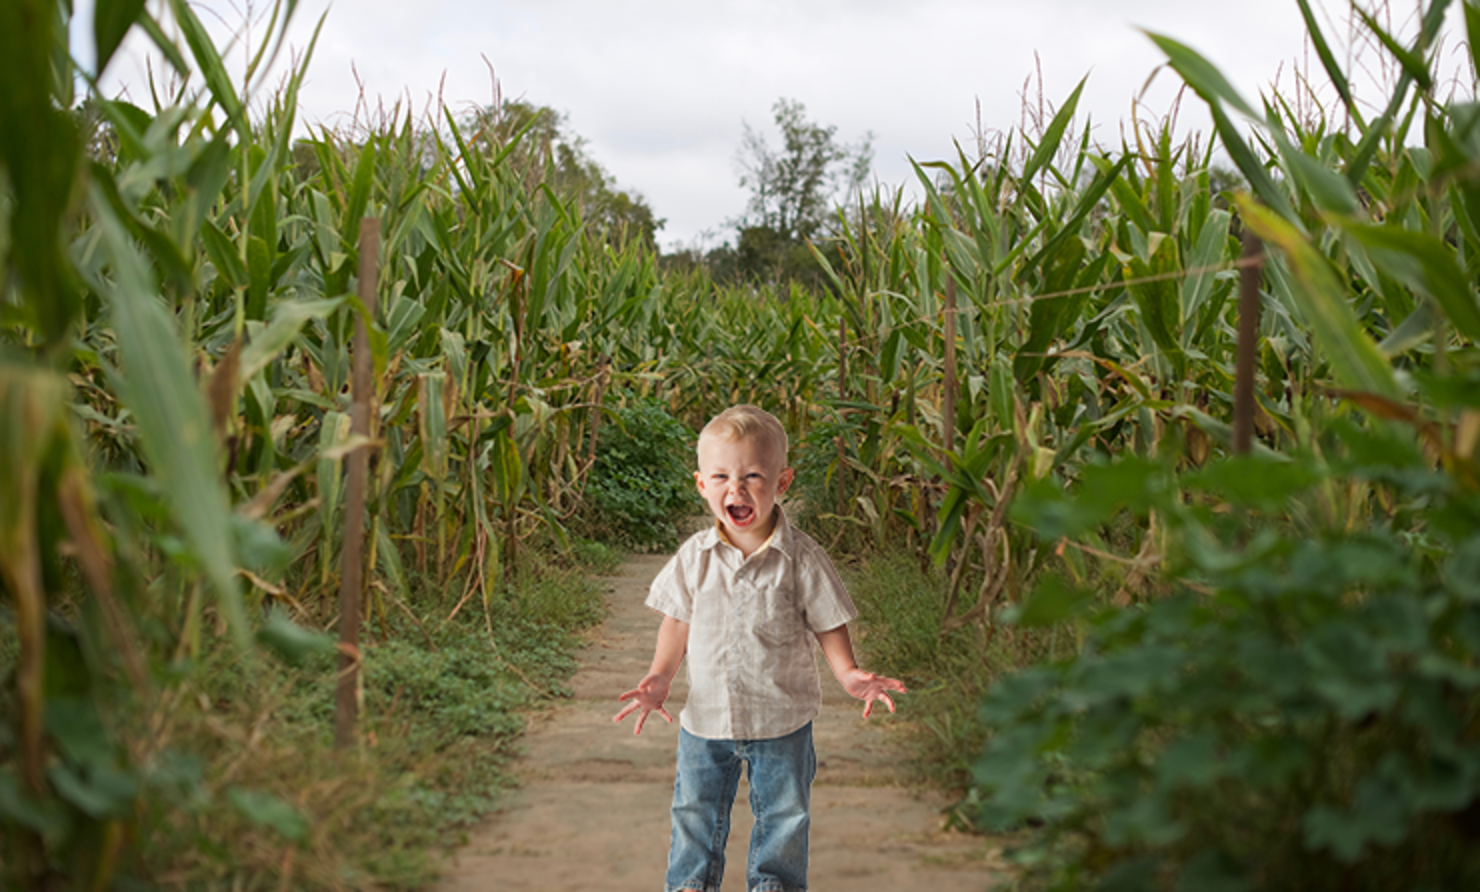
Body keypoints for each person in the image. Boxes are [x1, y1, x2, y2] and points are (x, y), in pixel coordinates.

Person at [613, 404, 907, 892]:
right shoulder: (694, 557)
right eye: (722, 475)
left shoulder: (803, 558)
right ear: (702, 484)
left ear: (782, 482)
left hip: (782, 718)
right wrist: (660, 677)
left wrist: (850, 673)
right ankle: (690, 884)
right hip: (706, 720)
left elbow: (828, 624)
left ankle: (775, 885)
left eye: (753, 475)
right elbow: (676, 621)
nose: (738, 488)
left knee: (786, 817)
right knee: (694, 812)